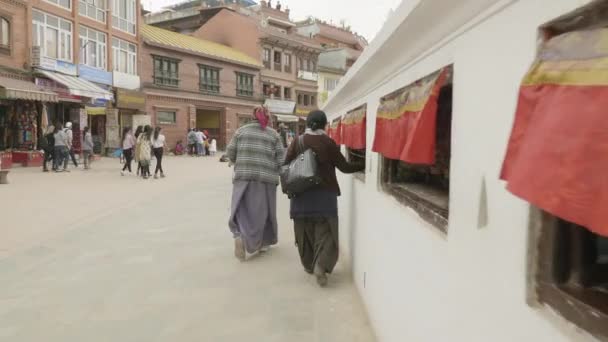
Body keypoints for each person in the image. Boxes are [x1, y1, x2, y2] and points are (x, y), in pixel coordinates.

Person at [284, 110, 364, 287]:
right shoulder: (328, 142)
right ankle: (321, 265)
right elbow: (344, 167)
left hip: (300, 196)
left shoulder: (298, 141)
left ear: (307, 124)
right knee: (326, 233)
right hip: (325, 196)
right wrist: (365, 164)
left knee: (304, 233)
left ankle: (309, 265)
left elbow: (285, 165)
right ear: (324, 125)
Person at [227, 107, 285, 261]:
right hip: (266, 179)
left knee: (241, 209)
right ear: (269, 117)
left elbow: (230, 152)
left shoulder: (241, 131)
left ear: (251, 116)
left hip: (243, 177)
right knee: (264, 213)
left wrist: (236, 161)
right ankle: (264, 243)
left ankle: (240, 235)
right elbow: (281, 159)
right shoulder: (274, 135)